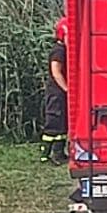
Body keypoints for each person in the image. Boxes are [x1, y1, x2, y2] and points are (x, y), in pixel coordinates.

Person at [42, 19, 68, 164]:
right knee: (54, 122)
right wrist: (66, 89)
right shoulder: (59, 51)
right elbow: (56, 72)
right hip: (56, 92)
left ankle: (59, 153)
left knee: (62, 123)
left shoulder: (64, 50)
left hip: (60, 92)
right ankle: (46, 154)